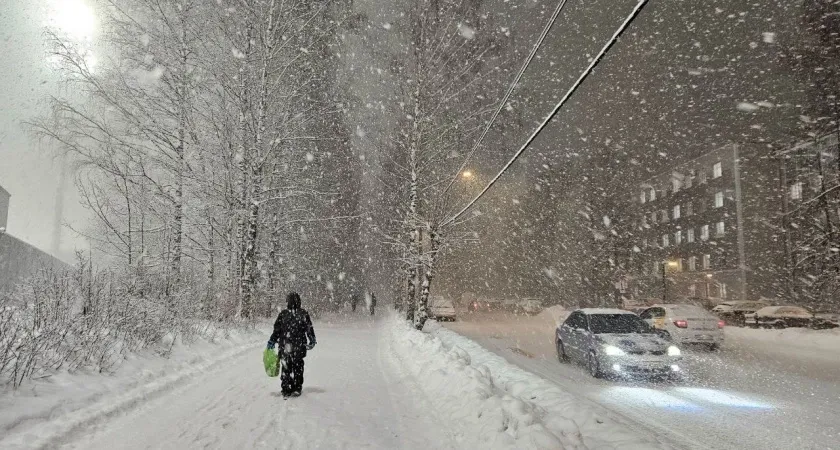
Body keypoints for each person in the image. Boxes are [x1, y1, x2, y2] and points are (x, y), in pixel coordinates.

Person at [267, 292, 316, 399]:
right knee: (298, 367)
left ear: (287, 301)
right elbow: (309, 329)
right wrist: (312, 340)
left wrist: (271, 341)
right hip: (299, 346)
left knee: (286, 367)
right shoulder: (303, 314)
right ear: (299, 301)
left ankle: (286, 388)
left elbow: (277, 330)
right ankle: (297, 388)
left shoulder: (283, 314)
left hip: (285, 346)